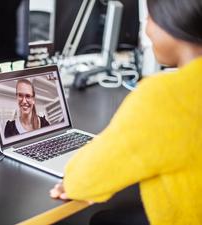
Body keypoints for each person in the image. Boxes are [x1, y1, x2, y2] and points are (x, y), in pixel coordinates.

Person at [50, 0, 202, 224]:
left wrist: (73, 182)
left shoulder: (164, 97)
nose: (146, 31)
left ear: (171, 22)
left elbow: (82, 179)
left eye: (149, 18)